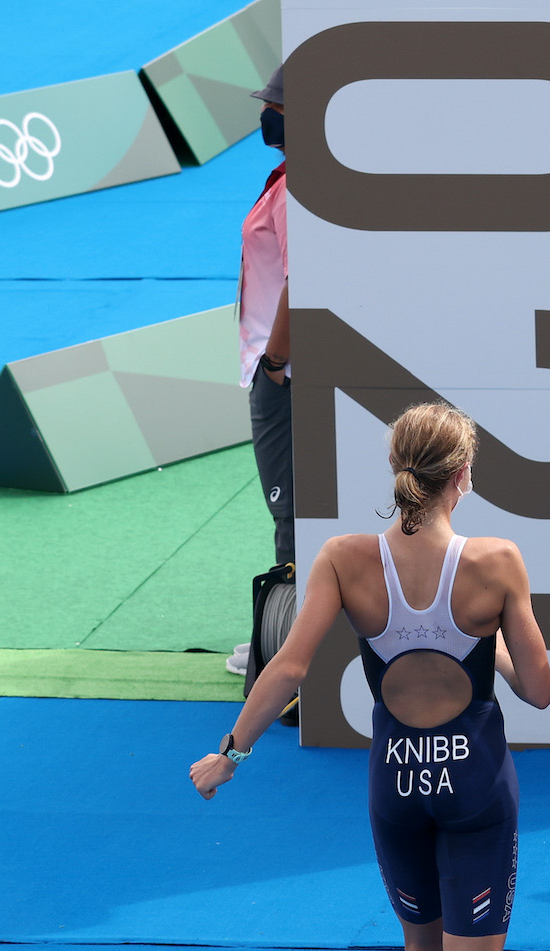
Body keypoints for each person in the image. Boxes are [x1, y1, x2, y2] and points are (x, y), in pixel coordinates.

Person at [189, 403, 550, 951]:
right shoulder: (496, 561)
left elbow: (288, 664)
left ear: (397, 469)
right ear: (464, 477)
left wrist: (230, 753)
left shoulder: (342, 559)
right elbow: (543, 691)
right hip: (474, 783)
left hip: (394, 780)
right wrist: (486, 646)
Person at [226, 63, 293, 679]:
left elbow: (302, 284)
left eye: (275, 106)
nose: (266, 114)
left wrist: (274, 359)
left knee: (289, 511)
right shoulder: (288, 180)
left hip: (285, 376)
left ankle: (283, 650)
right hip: (275, 369)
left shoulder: (298, 191)